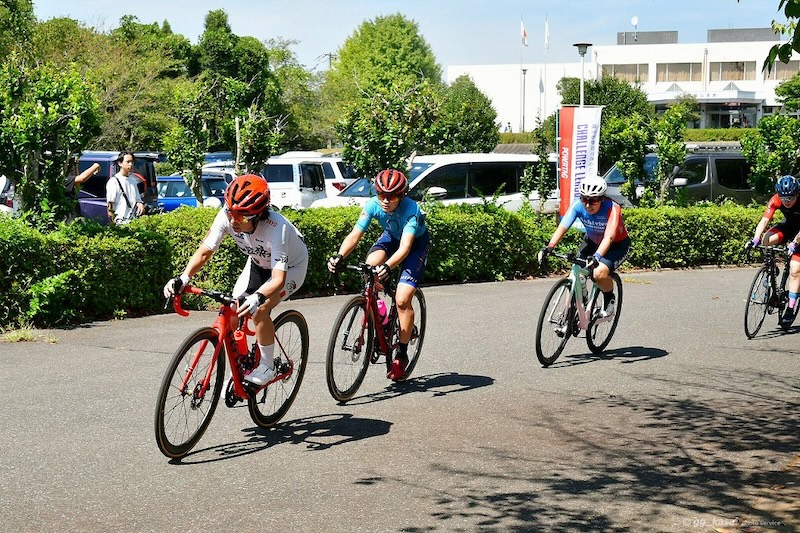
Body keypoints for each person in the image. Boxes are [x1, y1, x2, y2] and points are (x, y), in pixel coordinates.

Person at [163, 174, 308, 386]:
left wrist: (258, 297)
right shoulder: (226, 216)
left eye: (242, 217)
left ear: (258, 215)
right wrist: (184, 277)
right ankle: (244, 363)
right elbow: (205, 251)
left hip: (290, 269)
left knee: (260, 310)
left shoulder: (277, 228)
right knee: (232, 308)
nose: (233, 221)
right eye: (231, 213)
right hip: (258, 263)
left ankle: (267, 366)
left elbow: (278, 278)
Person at [327, 169, 430, 381]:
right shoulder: (373, 204)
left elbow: (405, 248)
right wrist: (339, 256)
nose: (385, 201)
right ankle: (379, 309)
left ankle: (401, 354)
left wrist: (389, 266)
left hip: (414, 245)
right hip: (391, 237)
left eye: (391, 197)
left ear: (401, 196)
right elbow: (355, 235)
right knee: (369, 267)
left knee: (402, 300)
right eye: (381, 195)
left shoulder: (411, 210)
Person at [539, 176, 631, 317]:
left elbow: (609, 237)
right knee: (575, 274)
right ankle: (569, 313)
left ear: (601, 199)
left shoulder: (613, 208)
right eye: (584, 199)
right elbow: (563, 226)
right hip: (592, 242)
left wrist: (597, 257)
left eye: (593, 200)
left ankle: (609, 298)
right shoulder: (577, 205)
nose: (587, 205)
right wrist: (549, 247)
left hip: (616, 246)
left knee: (598, 273)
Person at [746, 174, 800, 326]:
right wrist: (755, 239)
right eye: (784, 198)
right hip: (789, 226)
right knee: (766, 240)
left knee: (795, 270)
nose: (786, 202)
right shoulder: (776, 199)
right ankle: (772, 266)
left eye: (790, 198)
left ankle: (790, 308)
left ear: (797, 194)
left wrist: (794, 243)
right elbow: (765, 220)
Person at [106, 150, 144, 225]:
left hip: (133, 222)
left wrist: (140, 204)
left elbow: (138, 200)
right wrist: (112, 223)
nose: (130, 164)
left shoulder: (133, 181)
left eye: (132, 162)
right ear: (120, 163)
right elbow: (110, 205)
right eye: (128, 162)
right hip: (119, 222)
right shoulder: (113, 181)